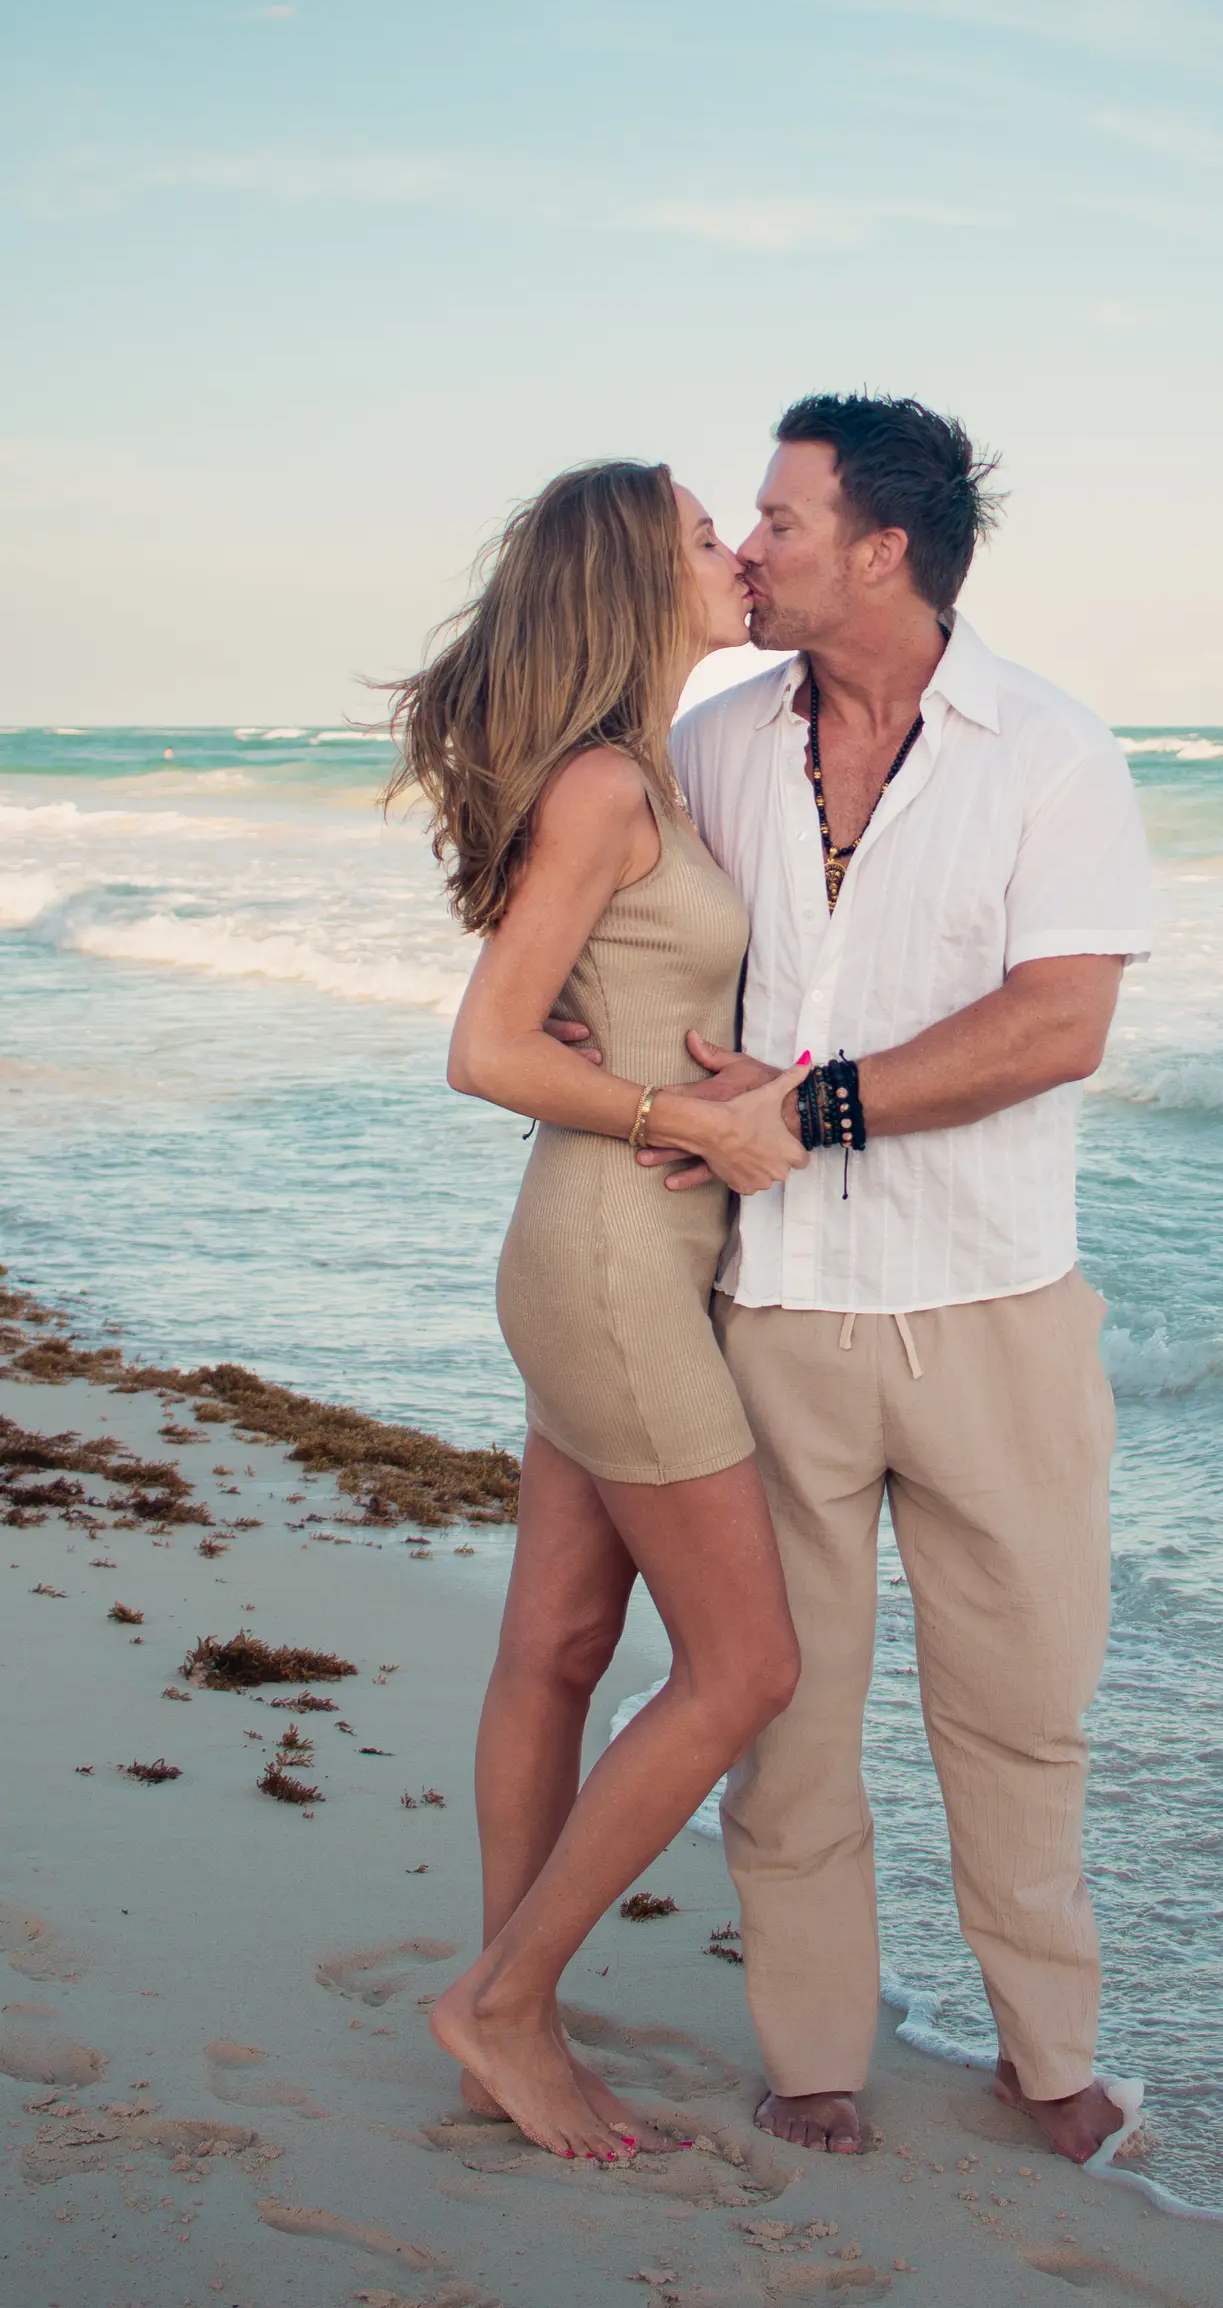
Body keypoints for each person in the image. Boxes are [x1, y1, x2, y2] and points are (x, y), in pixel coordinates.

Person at [630, 395, 1154, 2160]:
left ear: (883, 548)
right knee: (785, 1707)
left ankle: (1052, 2055)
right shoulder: (714, 737)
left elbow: (1058, 1022)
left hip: (996, 1307)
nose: (749, 550)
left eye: (779, 520)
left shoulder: (1052, 751)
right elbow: (647, 939)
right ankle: (815, 2052)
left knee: (1018, 1711)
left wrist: (806, 1107)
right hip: (768, 1308)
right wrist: (621, 1073)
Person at [385, 460, 809, 2162]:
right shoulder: (607, 787)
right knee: (747, 1666)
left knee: (559, 1650)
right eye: (710, 533)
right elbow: (486, 1048)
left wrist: (721, 1078)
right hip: (616, 1269)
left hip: (604, 1262)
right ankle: (500, 2003)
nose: (738, 554)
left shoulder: (648, 775)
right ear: (639, 577)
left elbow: (615, 1006)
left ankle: (512, 2007)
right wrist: (682, 1121)